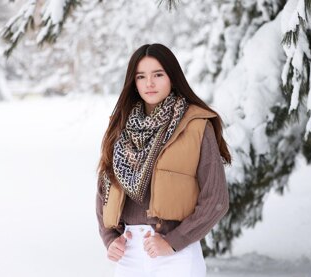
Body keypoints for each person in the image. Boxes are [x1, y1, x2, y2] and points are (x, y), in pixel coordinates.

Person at [95, 43, 231, 277]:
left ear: (172, 76)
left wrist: (174, 241)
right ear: (133, 82)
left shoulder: (196, 125)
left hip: (175, 254)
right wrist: (110, 239)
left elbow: (216, 199)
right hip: (128, 254)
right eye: (141, 76)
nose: (149, 83)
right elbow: (103, 192)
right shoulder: (121, 127)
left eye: (158, 74)